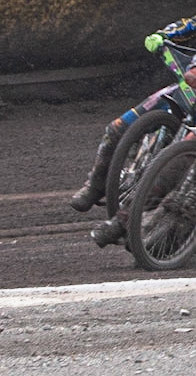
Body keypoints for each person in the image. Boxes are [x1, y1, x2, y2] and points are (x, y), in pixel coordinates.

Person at [69, 14, 196, 247]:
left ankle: (158, 233)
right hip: (185, 95)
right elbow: (190, 26)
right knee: (117, 129)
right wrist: (164, 35)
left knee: (186, 186)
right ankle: (97, 186)